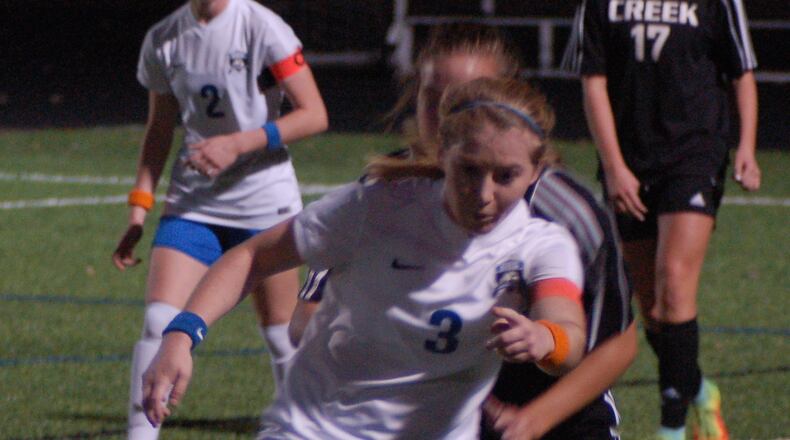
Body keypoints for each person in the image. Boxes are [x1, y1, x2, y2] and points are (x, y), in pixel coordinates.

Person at [141, 77, 589, 439]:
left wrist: (546, 340)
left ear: (537, 171)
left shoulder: (543, 244)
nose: (484, 194)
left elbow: (569, 333)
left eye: (506, 176)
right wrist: (182, 334)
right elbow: (253, 256)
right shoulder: (380, 207)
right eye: (469, 170)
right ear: (444, 154)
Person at [297, 24, 637, 440]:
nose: (446, 120)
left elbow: (617, 343)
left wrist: (534, 419)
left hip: (557, 424)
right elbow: (308, 319)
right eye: (434, 101)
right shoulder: (379, 197)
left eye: (467, 102)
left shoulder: (565, 213)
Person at [111, 0, 328, 438]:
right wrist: (139, 209)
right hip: (194, 205)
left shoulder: (262, 27)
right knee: (158, 323)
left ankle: (299, 430)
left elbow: (314, 114)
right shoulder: (164, 38)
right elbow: (159, 130)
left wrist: (240, 143)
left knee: (282, 337)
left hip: (265, 205)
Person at [563, 0, 760, 438]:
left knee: (674, 283)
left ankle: (670, 427)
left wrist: (746, 145)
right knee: (652, 307)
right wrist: (613, 167)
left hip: (694, 152)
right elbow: (593, 81)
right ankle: (699, 390)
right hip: (630, 159)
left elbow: (741, 72)